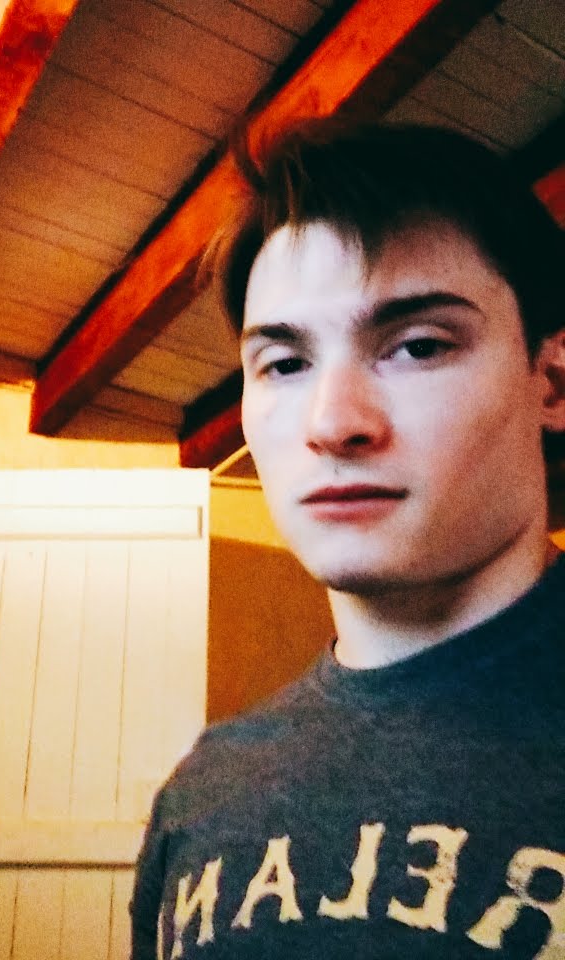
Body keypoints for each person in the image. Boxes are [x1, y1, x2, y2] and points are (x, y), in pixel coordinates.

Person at [130, 122, 565, 959]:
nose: (331, 423)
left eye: (418, 346)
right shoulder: (204, 791)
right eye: (284, 364)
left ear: (550, 380)